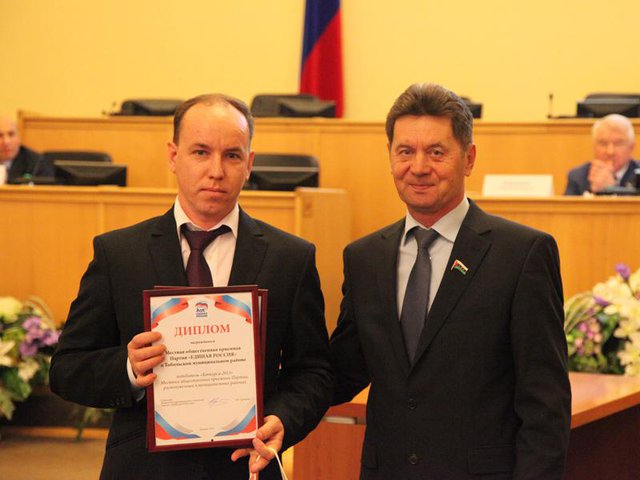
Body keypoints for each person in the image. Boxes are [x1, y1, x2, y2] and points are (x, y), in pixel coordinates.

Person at [50, 94, 332, 479]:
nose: (216, 170)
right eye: (201, 152)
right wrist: (128, 368)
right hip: (144, 469)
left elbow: (313, 372)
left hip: (245, 466)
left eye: (232, 155)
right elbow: (67, 368)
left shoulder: (290, 258)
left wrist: (283, 418)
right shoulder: (118, 254)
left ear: (249, 164)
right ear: (173, 156)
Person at [330, 83, 571, 479]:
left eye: (436, 152)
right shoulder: (364, 259)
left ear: (469, 158)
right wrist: (273, 402)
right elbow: (341, 373)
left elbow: (545, 404)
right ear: (390, 156)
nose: (419, 167)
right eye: (405, 151)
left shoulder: (522, 255)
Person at [564, 113, 639, 195]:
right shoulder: (577, 176)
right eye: (603, 143)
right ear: (594, 146)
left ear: (631, 147)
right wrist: (593, 193)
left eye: (618, 144)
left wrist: (611, 190)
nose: (610, 152)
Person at [0, 116, 54, 183]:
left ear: (19, 137)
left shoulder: (37, 163)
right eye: (0, 136)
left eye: (11, 135)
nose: (6, 142)